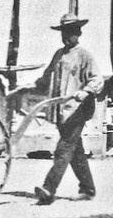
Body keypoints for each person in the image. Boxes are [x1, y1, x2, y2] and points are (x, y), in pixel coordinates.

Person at [33, 13, 104, 205]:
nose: (66, 36)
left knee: (63, 149)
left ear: (78, 33)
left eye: (70, 32)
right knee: (75, 151)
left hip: (78, 110)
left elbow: (97, 79)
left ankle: (48, 189)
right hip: (61, 111)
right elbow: (47, 77)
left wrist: (86, 91)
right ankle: (87, 189)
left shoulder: (85, 55)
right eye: (64, 32)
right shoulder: (59, 54)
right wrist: (32, 86)